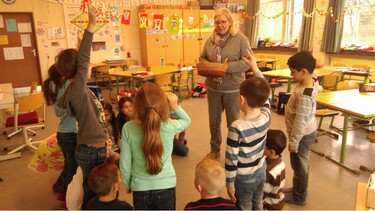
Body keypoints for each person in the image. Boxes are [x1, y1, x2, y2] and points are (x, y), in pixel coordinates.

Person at [56, 3, 109, 209]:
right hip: (90, 151)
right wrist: (91, 25)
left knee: (93, 186)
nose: (90, 66)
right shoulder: (77, 89)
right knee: (93, 189)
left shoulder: (75, 89)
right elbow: (85, 56)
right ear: (78, 69)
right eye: (85, 65)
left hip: (91, 147)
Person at [119, 82, 191, 210]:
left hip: (140, 187)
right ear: (163, 104)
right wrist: (175, 105)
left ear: (137, 105)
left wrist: (128, 183)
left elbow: (124, 163)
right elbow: (186, 121)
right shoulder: (169, 125)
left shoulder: (128, 128)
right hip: (166, 185)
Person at [199, 8, 251, 160]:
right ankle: (215, 150)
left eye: (223, 22)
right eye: (217, 22)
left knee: (233, 123)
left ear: (230, 22)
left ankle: (233, 151)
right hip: (213, 87)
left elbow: (248, 62)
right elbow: (202, 58)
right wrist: (210, 66)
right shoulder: (211, 39)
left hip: (233, 88)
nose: (220, 25)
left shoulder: (240, 39)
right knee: (214, 121)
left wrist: (226, 68)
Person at [225, 50, 271, 210]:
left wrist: (229, 183)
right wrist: (255, 67)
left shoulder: (237, 126)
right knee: (257, 204)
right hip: (260, 171)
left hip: (243, 178)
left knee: (243, 206)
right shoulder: (266, 116)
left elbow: (231, 159)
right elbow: (268, 93)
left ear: (242, 99)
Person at [282, 51, 319, 206]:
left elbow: (300, 122)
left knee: (300, 166)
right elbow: (314, 73)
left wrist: (294, 142)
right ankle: (297, 189)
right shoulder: (311, 79)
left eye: (293, 72)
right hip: (304, 133)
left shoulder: (305, 94)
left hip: (301, 136)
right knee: (299, 165)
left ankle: (299, 197)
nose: (291, 75)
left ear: (304, 72)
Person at [42, 64, 78, 204]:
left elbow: (58, 112)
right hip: (70, 133)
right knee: (72, 166)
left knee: (69, 164)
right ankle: (65, 195)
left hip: (62, 132)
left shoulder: (52, 85)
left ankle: (59, 186)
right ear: (63, 76)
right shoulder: (66, 86)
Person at [263, 129, 287, 210]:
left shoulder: (269, 172)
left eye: (263, 145)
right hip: (277, 200)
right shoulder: (280, 162)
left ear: (271, 152)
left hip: (268, 206)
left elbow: (260, 196)